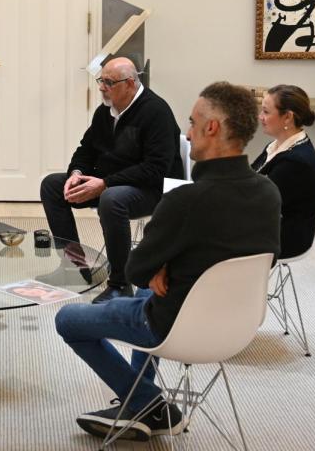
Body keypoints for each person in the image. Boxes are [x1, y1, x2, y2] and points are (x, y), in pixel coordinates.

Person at [54, 82, 281, 442]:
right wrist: (167, 270)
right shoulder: (268, 192)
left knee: (68, 319)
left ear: (212, 128)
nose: (187, 135)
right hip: (238, 324)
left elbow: (136, 270)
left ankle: (148, 403)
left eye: (191, 124)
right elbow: (265, 260)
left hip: (174, 322)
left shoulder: (186, 199)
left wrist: (163, 269)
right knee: (145, 295)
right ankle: (136, 407)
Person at [39, 57, 184, 304]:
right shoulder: (105, 112)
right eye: (101, 80)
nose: (101, 87)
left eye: (108, 82)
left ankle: (120, 283)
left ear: (129, 83)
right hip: (113, 182)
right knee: (52, 185)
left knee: (111, 199)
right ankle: (74, 268)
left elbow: (156, 168)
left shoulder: (156, 111)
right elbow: (86, 149)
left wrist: (105, 183)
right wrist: (76, 174)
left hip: (155, 188)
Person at [252, 84, 315, 260]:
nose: (260, 117)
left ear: (287, 117)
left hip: (284, 237)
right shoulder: (276, 146)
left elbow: (259, 203)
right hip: (269, 224)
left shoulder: (296, 162)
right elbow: (251, 182)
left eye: (266, 112)